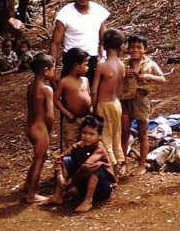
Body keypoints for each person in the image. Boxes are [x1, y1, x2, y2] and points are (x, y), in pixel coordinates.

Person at [40, 114, 115, 212]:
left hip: (102, 190)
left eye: (92, 134)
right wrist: (60, 176)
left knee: (95, 167)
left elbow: (87, 166)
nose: (87, 137)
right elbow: (60, 159)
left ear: (99, 136)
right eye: (84, 132)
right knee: (66, 160)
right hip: (83, 185)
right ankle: (57, 195)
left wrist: (72, 180)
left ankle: (88, 200)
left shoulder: (99, 149)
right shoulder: (78, 146)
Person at [49, 0, 110, 85]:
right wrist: (53, 71)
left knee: (91, 97)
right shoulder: (65, 14)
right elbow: (55, 43)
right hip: (71, 63)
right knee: (69, 98)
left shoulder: (99, 12)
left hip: (92, 62)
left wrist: (103, 58)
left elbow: (103, 41)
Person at [119, 35, 165, 175]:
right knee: (124, 134)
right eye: (132, 47)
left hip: (141, 101)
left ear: (145, 49)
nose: (135, 50)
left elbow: (162, 79)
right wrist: (123, 73)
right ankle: (123, 162)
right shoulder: (124, 63)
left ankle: (142, 164)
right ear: (127, 48)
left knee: (143, 134)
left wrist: (149, 77)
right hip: (125, 100)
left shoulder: (150, 64)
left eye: (139, 47)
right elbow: (114, 75)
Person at [92, 29, 126, 176]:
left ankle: (112, 174)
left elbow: (94, 90)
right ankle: (119, 166)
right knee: (115, 137)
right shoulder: (121, 65)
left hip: (103, 104)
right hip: (115, 103)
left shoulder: (102, 66)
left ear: (104, 45)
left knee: (106, 139)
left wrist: (93, 108)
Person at [24, 53, 55, 203]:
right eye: (53, 69)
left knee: (39, 157)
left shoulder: (30, 86)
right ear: (45, 70)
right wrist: (50, 128)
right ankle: (32, 194)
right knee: (39, 160)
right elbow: (49, 114)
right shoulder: (46, 89)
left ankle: (27, 184)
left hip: (29, 126)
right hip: (40, 127)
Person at [54, 48, 92, 152]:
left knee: (85, 143)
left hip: (86, 118)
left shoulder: (85, 80)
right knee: (70, 144)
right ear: (76, 66)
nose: (88, 68)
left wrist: (91, 108)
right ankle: (68, 164)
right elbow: (56, 99)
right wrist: (66, 113)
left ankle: (82, 164)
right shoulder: (65, 81)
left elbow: (89, 95)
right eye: (86, 65)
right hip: (72, 120)